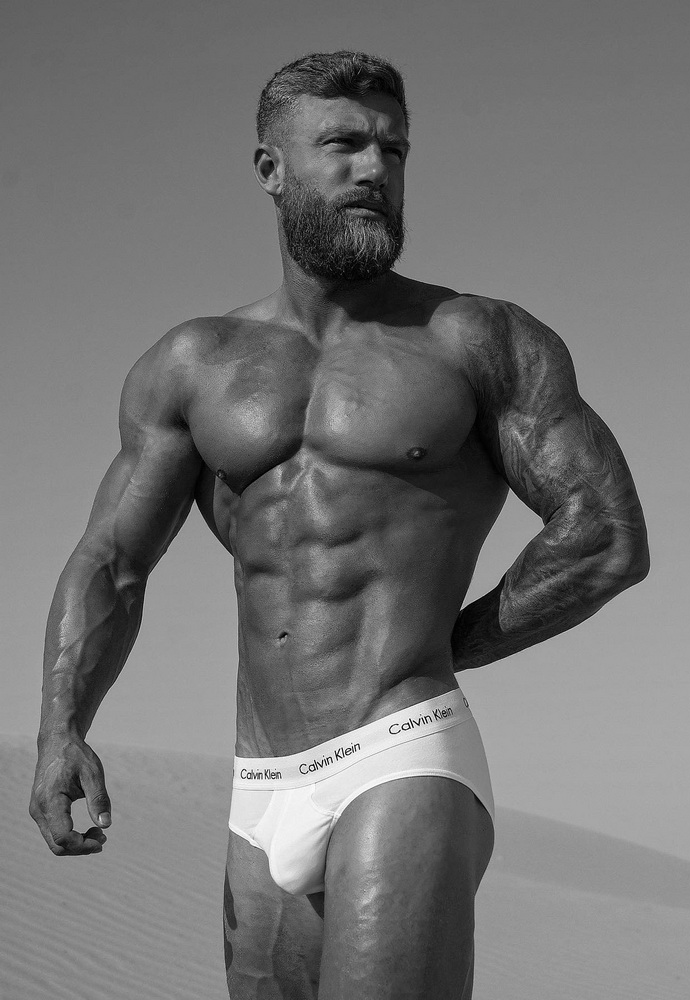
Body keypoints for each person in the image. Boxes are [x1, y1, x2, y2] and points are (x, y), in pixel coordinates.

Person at [30, 50, 649, 1000]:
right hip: (262, 785)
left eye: (394, 150)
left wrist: (448, 647)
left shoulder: (476, 338)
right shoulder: (193, 363)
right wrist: (61, 729)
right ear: (271, 168)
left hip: (402, 747)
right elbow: (111, 561)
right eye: (345, 144)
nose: (375, 169)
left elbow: (604, 534)